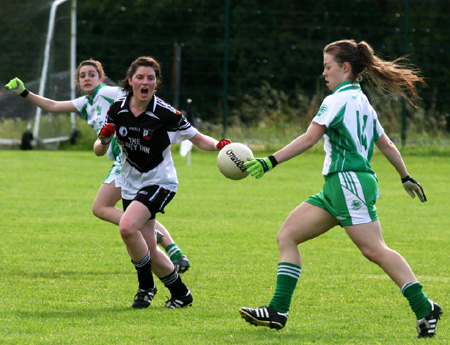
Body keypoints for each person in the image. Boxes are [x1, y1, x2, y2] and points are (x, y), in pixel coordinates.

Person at [238, 39, 442, 338]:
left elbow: (308, 139)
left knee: (374, 249)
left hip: (348, 183)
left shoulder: (335, 101)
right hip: (339, 186)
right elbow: (386, 144)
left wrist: (270, 161)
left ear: (345, 68)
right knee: (288, 236)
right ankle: (278, 310)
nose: (324, 73)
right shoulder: (362, 103)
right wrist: (404, 176)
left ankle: (425, 307)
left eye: (328, 66)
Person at [5, 60, 190, 273]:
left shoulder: (108, 92)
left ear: (101, 78)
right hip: (121, 162)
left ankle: (163, 250)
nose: (87, 78)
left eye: (92, 74)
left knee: (106, 208)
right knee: (108, 209)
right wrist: (24, 93)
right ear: (78, 81)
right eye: (82, 75)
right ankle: (172, 250)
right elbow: (54, 106)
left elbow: (141, 95)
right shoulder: (86, 102)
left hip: (131, 161)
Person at [94, 56, 230, 308]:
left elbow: (198, 139)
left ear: (156, 83)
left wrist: (220, 145)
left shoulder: (165, 113)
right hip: (131, 181)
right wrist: (104, 139)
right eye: (140, 77)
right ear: (130, 81)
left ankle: (145, 287)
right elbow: (98, 151)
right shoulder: (118, 110)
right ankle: (181, 293)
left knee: (126, 228)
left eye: (151, 78)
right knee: (148, 247)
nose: (145, 82)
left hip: (160, 181)